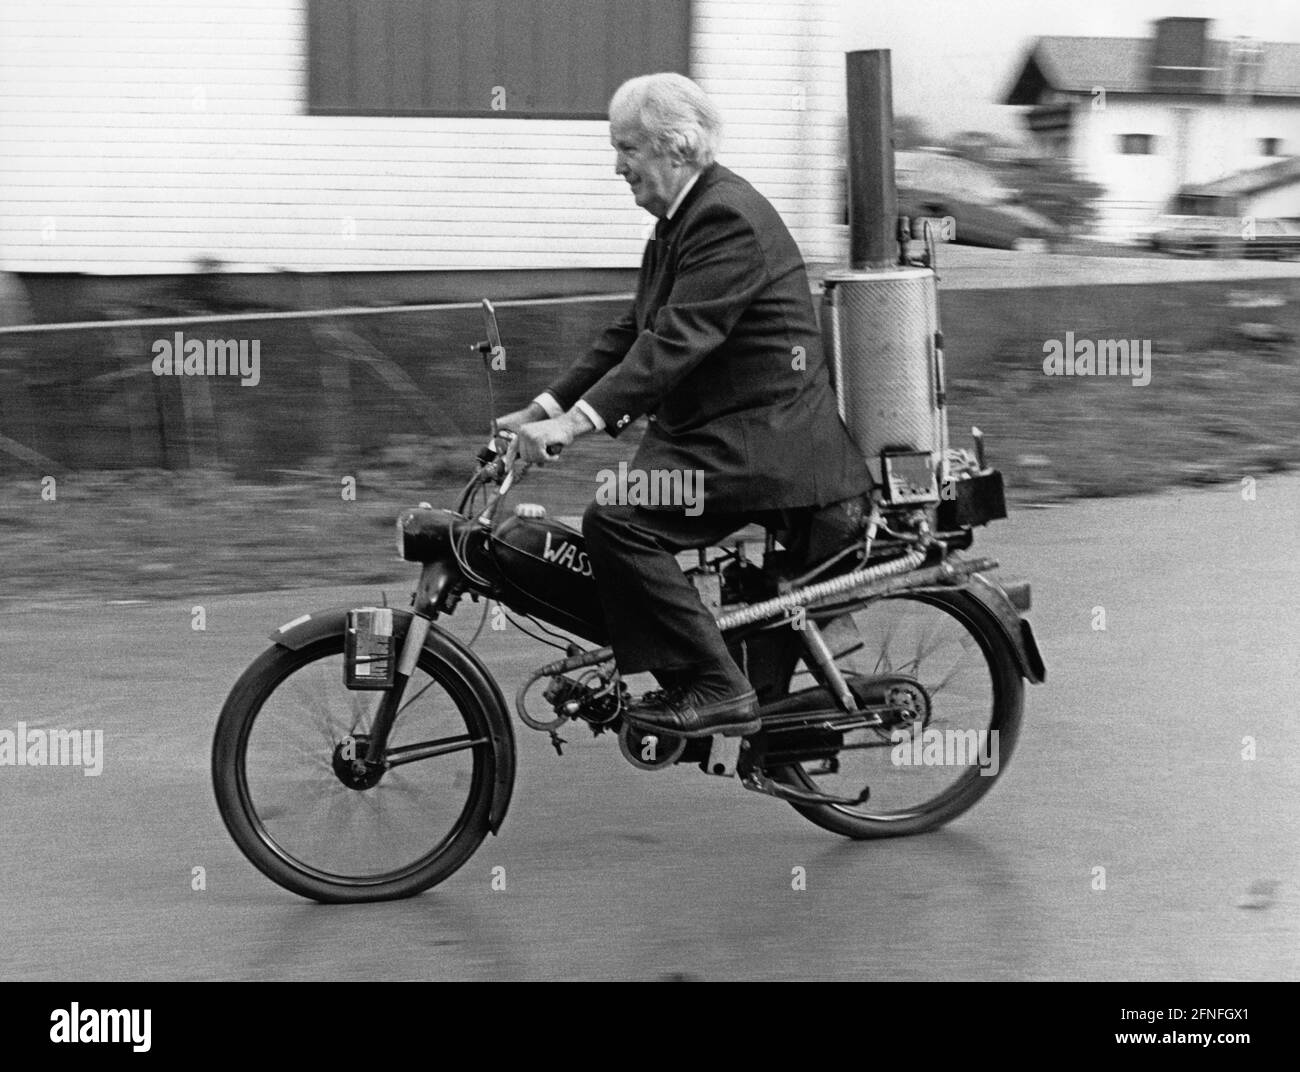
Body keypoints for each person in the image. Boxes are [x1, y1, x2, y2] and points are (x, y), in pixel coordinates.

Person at [496, 73, 871, 738]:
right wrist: (543, 406)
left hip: (767, 443)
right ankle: (697, 671)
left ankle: (720, 687)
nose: (618, 166)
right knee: (622, 515)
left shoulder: (724, 218)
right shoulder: (682, 221)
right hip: (726, 434)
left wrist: (576, 425)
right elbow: (632, 332)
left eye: (629, 149)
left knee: (620, 519)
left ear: (676, 148)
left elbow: (674, 343)